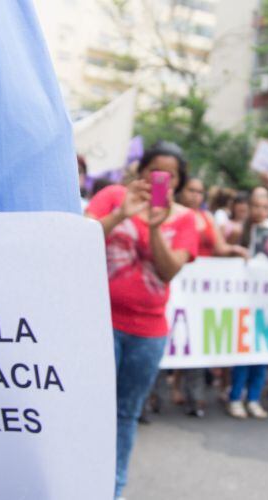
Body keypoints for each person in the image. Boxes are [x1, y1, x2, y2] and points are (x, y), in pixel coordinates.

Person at [85, 142, 200, 498]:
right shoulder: (111, 196)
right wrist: (121, 214)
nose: (159, 179)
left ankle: (113, 489)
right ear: (140, 170)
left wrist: (153, 227)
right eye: (153, 171)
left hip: (146, 334)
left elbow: (168, 271)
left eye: (170, 175)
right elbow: (81, 242)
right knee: (88, 409)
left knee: (124, 414)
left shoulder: (184, 219)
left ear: (178, 182)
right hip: (98, 324)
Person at [173, 178, 248, 418]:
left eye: (200, 191)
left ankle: (195, 397)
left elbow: (220, 246)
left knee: (194, 339)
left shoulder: (206, 218)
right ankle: (155, 394)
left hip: (199, 292)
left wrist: (235, 249)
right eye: (191, 190)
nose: (196, 195)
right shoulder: (171, 213)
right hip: (174, 282)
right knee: (172, 338)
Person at [228, 186, 268, 419]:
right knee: (244, 352)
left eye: (264, 206)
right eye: (256, 206)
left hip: (267, 300)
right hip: (244, 300)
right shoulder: (239, 231)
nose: (260, 211)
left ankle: (254, 398)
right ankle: (235, 397)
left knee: (262, 353)